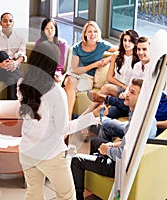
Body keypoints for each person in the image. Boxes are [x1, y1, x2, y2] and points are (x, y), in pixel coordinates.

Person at [17, 41, 108, 200]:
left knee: (33, 195)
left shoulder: (21, 84)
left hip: (26, 151)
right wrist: (92, 116)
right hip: (50, 154)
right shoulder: (56, 92)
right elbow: (64, 129)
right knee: (67, 196)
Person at [71, 78, 157, 200]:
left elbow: (123, 154)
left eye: (132, 92)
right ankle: (94, 168)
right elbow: (129, 142)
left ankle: (78, 197)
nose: (127, 94)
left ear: (142, 97)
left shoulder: (138, 122)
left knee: (76, 160)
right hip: (127, 157)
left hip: (122, 165)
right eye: (128, 90)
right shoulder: (143, 114)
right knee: (96, 142)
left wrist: (107, 151)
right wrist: (111, 145)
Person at [63, 20, 117, 120]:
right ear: (85, 34)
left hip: (88, 77)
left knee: (68, 88)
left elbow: (119, 50)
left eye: (95, 31)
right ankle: (69, 117)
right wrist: (94, 65)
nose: (93, 34)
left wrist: (109, 59)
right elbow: (74, 69)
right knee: (70, 82)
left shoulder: (101, 45)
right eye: (90, 32)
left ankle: (67, 119)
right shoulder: (77, 48)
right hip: (75, 74)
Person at [88, 36, 151, 119]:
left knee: (127, 101)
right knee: (107, 114)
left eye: (144, 49)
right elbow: (130, 85)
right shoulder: (137, 66)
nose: (141, 52)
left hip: (140, 103)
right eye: (139, 49)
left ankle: (107, 99)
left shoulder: (153, 69)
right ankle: (83, 120)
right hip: (127, 102)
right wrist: (125, 94)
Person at [0, 12, 27, 100]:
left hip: (12, 69)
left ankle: (11, 104)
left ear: (13, 23)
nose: (8, 23)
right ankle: (20, 76)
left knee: (11, 79)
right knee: (1, 54)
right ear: (0, 23)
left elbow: (22, 55)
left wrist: (15, 63)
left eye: (10, 21)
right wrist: (0, 65)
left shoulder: (20, 37)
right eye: (5, 21)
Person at [94, 30, 139, 96]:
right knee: (107, 88)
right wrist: (122, 86)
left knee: (106, 89)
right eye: (125, 40)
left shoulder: (138, 60)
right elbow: (109, 78)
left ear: (135, 43)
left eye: (130, 41)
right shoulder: (116, 56)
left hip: (128, 91)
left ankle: (93, 103)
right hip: (116, 87)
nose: (126, 43)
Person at [35, 17, 68, 83]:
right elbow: (37, 60)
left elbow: (61, 63)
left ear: (55, 29)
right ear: (43, 30)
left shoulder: (62, 43)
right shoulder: (39, 42)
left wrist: (53, 72)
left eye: (52, 28)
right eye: (47, 28)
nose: (50, 31)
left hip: (56, 71)